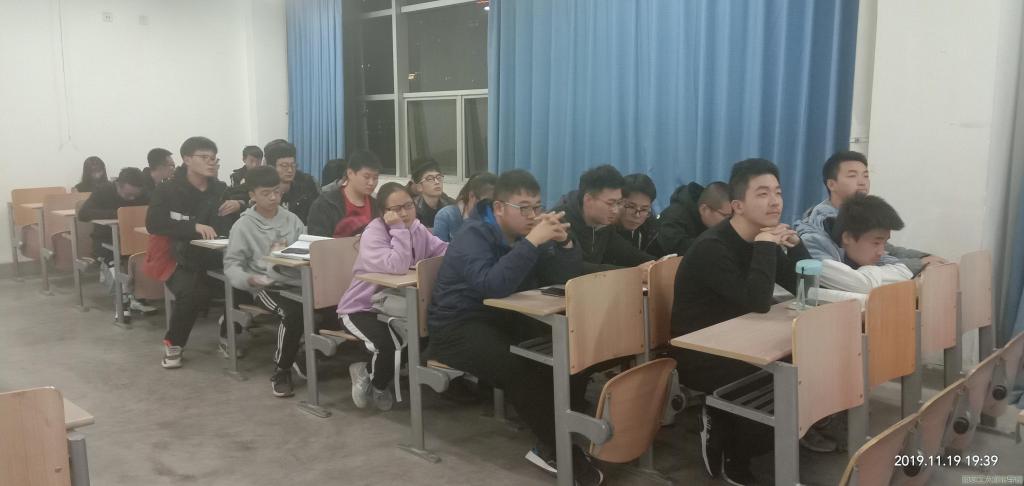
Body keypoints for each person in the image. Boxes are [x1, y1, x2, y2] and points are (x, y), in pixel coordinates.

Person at [427, 170, 604, 485]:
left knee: (569, 347)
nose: (533, 215)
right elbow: (493, 285)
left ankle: (560, 425)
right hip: (457, 326)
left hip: (503, 318)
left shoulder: (524, 236)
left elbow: (561, 276)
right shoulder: (473, 235)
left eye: (537, 207)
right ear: (498, 208)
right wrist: (533, 242)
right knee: (519, 367)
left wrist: (564, 243)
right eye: (523, 208)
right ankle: (557, 449)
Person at [669, 158, 811, 484]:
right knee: (778, 376)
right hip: (703, 352)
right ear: (737, 206)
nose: (775, 201)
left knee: (806, 364)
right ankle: (734, 454)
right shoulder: (713, 247)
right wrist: (766, 247)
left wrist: (796, 247)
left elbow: (803, 289)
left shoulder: (763, 237)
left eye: (778, 192)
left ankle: (746, 431)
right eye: (762, 193)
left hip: (745, 338)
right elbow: (757, 302)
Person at [338, 182, 448, 410]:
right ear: (383, 212)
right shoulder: (374, 233)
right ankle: (379, 385)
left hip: (397, 306)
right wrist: (398, 229)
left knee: (422, 336)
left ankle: (366, 372)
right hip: (361, 307)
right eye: (396, 209)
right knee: (387, 344)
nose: (404, 213)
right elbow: (396, 266)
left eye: (408, 206)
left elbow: (442, 250)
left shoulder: (417, 229)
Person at [144, 136, 247, 369]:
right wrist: (192, 227)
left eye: (214, 158)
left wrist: (239, 204)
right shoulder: (168, 189)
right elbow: (153, 223)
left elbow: (244, 199)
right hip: (178, 258)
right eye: (204, 157)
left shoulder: (219, 188)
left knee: (244, 282)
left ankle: (227, 334)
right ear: (187, 159)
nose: (211, 162)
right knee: (192, 293)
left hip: (214, 255)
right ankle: (174, 342)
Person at [222, 166, 307, 397]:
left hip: (296, 281)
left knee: (329, 306)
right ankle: (282, 369)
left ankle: (305, 356)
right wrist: (250, 279)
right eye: (266, 193)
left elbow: (306, 247)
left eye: (277, 192)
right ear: (252, 195)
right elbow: (232, 265)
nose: (273, 197)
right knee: (293, 313)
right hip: (265, 286)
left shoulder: (291, 219)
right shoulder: (243, 226)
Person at [794, 150, 945, 275]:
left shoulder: (860, 214)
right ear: (831, 184)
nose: (862, 182)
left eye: (865, 176)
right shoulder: (824, 222)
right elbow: (862, 265)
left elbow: (888, 249)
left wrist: (926, 257)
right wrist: (920, 263)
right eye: (852, 176)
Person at [78, 167, 154, 313]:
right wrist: (119, 214)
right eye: (128, 195)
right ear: (118, 185)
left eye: (135, 195)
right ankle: (123, 301)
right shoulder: (103, 191)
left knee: (146, 258)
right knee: (113, 263)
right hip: (106, 240)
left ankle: (139, 296)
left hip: (135, 240)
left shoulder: (144, 194)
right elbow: (83, 214)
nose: (132, 199)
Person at [553, 164, 654, 274]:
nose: (616, 210)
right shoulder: (559, 221)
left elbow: (628, 253)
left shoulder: (603, 225)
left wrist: (657, 264)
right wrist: (634, 272)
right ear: (588, 199)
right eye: (610, 203)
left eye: (619, 203)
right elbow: (572, 267)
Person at [817, 193, 913, 292]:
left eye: (884, 243)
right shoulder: (818, 254)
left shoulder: (863, 256)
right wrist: (872, 275)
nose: (881, 252)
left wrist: (869, 272)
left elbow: (904, 272)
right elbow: (862, 285)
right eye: (876, 243)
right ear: (847, 237)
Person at [308, 149, 381, 237]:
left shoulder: (378, 206)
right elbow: (318, 242)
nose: (371, 183)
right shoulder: (325, 204)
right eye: (366, 177)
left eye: (375, 178)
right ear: (350, 173)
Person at [658, 181, 731, 255]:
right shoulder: (673, 218)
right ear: (704, 210)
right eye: (726, 216)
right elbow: (676, 250)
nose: (730, 221)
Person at [432, 172, 497, 242]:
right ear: (472, 196)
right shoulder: (446, 216)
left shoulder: (494, 217)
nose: (490, 207)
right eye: (487, 202)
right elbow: (439, 248)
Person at [264, 140, 318, 224]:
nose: (290, 170)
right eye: (284, 166)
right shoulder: (261, 186)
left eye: (293, 165)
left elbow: (317, 213)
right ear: (271, 167)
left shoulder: (306, 184)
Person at [615, 173, 666, 257]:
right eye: (631, 206)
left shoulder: (652, 229)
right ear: (617, 202)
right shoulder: (604, 229)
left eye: (644, 209)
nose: (637, 215)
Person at [411, 158, 455, 228]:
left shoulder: (451, 205)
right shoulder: (412, 209)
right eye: (430, 179)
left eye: (439, 177)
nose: (437, 182)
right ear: (419, 187)